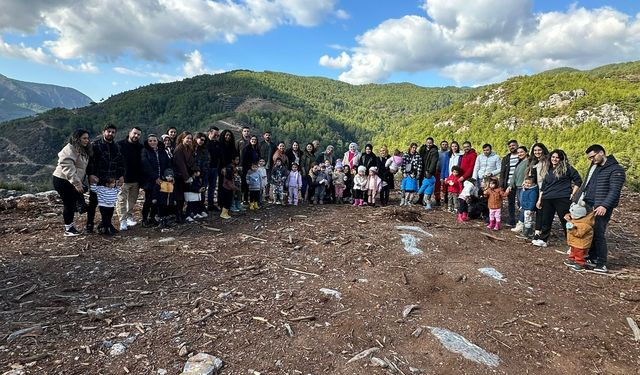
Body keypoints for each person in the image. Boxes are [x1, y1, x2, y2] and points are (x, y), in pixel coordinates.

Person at [580, 144, 626, 273]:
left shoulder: (616, 169)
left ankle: (602, 263)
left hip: (601, 207)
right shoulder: (595, 168)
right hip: (590, 204)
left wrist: (604, 205)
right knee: (591, 232)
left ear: (601, 153)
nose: (592, 159)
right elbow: (587, 184)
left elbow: (614, 190)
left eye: (593, 156)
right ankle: (592, 257)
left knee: (599, 234)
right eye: (590, 158)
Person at [532, 149, 582, 248]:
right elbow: (544, 186)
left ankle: (573, 244)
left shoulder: (567, 168)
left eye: (557, 157)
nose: (554, 159)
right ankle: (543, 240)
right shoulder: (548, 169)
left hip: (562, 198)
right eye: (553, 157)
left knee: (566, 221)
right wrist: (539, 199)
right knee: (546, 220)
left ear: (561, 159)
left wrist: (573, 193)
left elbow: (578, 180)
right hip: (547, 198)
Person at [52, 129, 92, 236]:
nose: (86, 140)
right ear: (77, 138)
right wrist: (77, 183)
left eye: (87, 138)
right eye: (84, 138)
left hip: (69, 180)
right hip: (62, 180)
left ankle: (70, 226)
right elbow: (67, 166)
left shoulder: (81, 149)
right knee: (68, 204)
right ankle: (68, 229)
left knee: (71, 203)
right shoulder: (70, 148)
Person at [86, 123, 124, 234]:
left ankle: (107, 224)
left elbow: (121, 163)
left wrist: (121, 176)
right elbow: (90, 162)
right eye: (108, 131)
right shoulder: (95, 145)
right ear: (103, 132)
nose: (110, 134)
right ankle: (89, 224)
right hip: (98, 179)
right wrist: (90, 175)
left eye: (113, 132)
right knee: (93, 203)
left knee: (109, 203)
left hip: (112, 179)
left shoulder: (117, 147)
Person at [116, 126, 143, 231]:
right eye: (134, 133)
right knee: (121, 200)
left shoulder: (140, 147)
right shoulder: (120, 145)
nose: (136, 136)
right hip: (123, 179)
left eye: (138, 134)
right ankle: (122, 220)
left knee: (132, 200)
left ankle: (129, 217)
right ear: (129, 133)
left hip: (135, 179)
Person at [141, 133, 171, 227]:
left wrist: (168, 175)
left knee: (158, 200)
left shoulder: (162, 151)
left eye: (154, 140)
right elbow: (146, 165)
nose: (153, 142)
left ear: (157, 142)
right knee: (149, 200)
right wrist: (155, 177)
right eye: (150, 141)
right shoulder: (145, 151)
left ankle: (152, 217)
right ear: (147, 142)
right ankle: (144, 219)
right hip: (150, 180)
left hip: (162, 179)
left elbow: (167, 164)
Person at [563, 202, 595, 272]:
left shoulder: (584, 224)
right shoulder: (577, 220)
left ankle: (580, 263)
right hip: (575, 242)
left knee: (579, 254)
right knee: (573, 251)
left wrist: (571, 229)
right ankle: (572, 259)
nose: (571, 215)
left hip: (581, 243)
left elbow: (579, 234)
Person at [506, 146, 530, 233]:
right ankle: (524, 225)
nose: (520, 154)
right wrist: (510, 185)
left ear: (526, 152)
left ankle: (522, 224)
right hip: (518, 187)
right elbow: (514, 175)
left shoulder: (529, 162)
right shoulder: (519, 163)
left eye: (522, 152)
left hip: (525, 187)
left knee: (524, 206)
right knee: (521, 205)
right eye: (518, 152)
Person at [172, 132, 195, 223]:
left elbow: (192, 162)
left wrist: (195, 171)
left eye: (190, 138)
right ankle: (178, 216)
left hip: (185, 176)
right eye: (187, 138)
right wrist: (186, 177)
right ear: (182, 138)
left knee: (183, 196)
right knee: (179, 197)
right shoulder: (179, 149)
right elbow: (181, 165)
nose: (189, 140)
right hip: (178, 176)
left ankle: (181, 213)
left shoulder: (189, 149)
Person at [500, 140, 519, 227]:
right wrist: (501, 185)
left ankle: (523, 221)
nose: (512, 147)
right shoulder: (506, 158)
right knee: (511, 202)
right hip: (508, 183)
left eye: (513, 145)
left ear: (517, 145)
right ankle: (512, 220)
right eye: (510, 146)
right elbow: (502, 172)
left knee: (521, 203)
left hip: (520, 184)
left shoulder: (522, 156)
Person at [206, 126, 222, 211]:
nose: (216, 136)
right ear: (210, 133)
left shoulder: (217, 143)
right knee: (204, 186)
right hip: (206, 168)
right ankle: (200, 206)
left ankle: (210, 204)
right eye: (215, 134)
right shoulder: (205, 142)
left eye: (217, 135)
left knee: (212, 187)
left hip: (215, 168)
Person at [418, 137, 439, 205]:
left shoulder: (434, 151)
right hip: (422, 169)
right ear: (426, 142)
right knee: (421, 184)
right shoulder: (422, 149)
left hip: (428, 171)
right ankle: (420, 199)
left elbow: (434, 162)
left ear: (432, 143)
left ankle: (427, 201)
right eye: (428, 142)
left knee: (428, 186)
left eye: (430, 143)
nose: (429, 144)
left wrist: (430, 171)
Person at [219, 156, 239, 220]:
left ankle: (226, 213)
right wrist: (236, 188)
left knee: (228, 202)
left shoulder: (230, 175)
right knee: (227, 202)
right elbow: (231, 185)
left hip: (229, 190)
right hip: (227, 191)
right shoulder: (228, 177)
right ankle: (223, 213)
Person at [242, 135, 261, 204]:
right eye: (252, 139)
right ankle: (245, 199)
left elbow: (259, 158)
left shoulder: (257, 149)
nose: (254, 141)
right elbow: (243, 159)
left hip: (255, 169)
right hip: (247, 169)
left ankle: (254, 200)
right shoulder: (246, 148)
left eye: (255, 139)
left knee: (255, 184)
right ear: (250, 140)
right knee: (247, 184)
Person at [259, 131, 277, 200]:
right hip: (261, 165)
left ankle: (266, 195)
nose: (267, 136)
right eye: (266, 135)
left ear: (271, 136)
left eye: (269, 135)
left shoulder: (273, 145)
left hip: (270, 165)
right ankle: (260, 195)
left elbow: (275, 155)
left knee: (268, 181)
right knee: (261, 180)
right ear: (264, 136)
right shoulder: (260, 144)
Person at [437, 140, 450, 206]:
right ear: (441, 145)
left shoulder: (449, 153)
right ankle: (437, 200)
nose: (444, 146)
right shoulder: (438, 152)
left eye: (446, 144)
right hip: (438, 171)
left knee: (446, 186)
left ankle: (446, 200)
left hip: (446, 172)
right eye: (443, 144)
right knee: (437, 186)